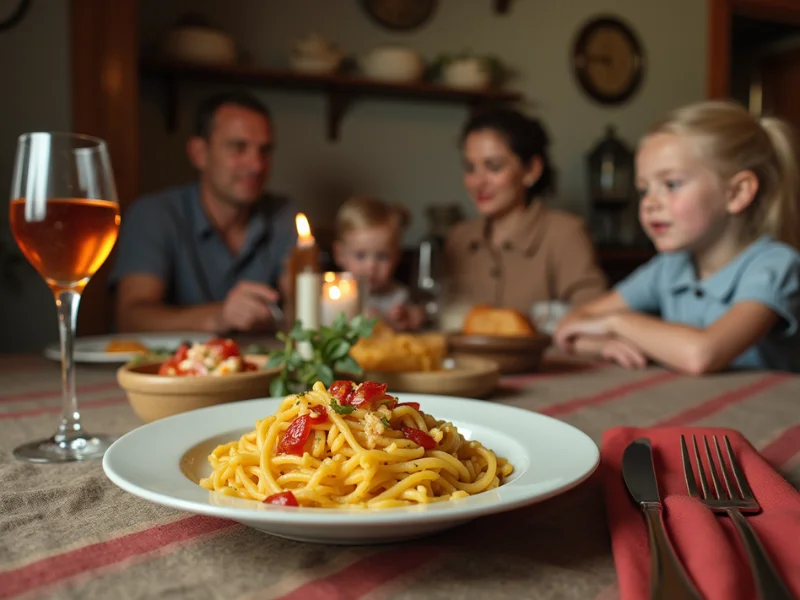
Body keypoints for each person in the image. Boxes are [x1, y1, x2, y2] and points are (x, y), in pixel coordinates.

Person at [554, 100, 800, 374]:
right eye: (644, 189)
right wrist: (603, 345)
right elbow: (570, 324)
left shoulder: (776, 266)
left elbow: (702, 355)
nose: (649, 203)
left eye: (671, 184)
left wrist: (617, 323)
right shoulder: (669, 268)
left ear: (737, 193)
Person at [110, 91, 297, 334]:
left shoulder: (284, 215)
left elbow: (300, 315)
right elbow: (131, 318)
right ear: (199, 153)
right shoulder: (153, 214)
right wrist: (219, 317)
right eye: (238, 148)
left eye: (265, 151)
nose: (256, 165)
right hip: (172, 370)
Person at [445, 108, 607, 322]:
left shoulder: (565, 234)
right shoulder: (459, 237)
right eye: (470, 168)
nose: (478, 182)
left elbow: (594, 320)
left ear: (531, 170)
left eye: (493, 167)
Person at [333, 196, 425, 331]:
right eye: (360, 255)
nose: (371, 266)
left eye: (382, 256)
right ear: (339, 254)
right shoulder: (333, 295)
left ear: (397, 256)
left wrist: (410, 318)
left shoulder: (399, 296)